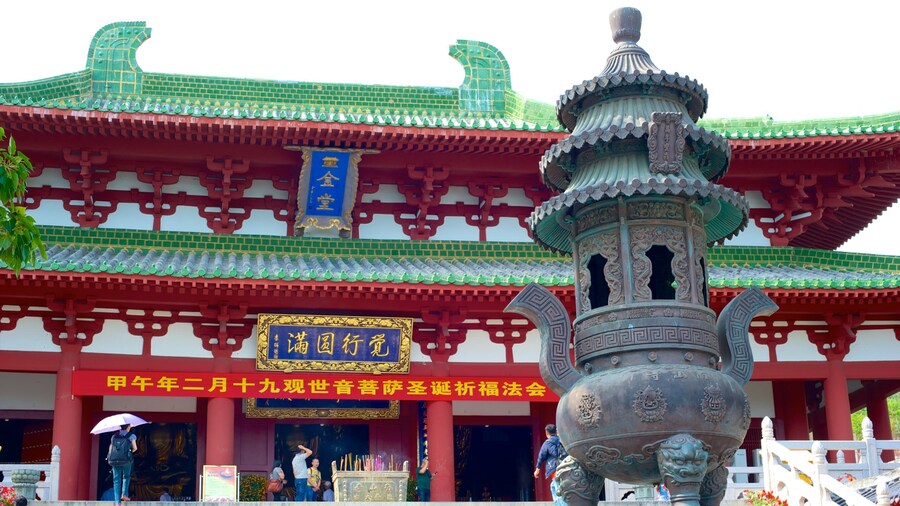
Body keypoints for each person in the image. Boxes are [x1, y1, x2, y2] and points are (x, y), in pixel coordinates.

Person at [534, 423, 565, 506]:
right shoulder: (562, 441)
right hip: (565, 468)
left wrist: (537, 469)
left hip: (555, 470)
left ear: (546, 433)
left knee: (558, 492)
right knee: (555, 488)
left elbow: (541, 456)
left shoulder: (547, 443)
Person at [109, 424, 138, 506]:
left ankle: (117, 502)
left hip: (115, 460)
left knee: (116, 480)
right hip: (126, 460)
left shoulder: (114, 436)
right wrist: (129, 451)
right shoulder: (131, 436)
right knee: (126, 476)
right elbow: (135, 448)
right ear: (128, 427)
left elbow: (111, 448)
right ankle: (124, 494)